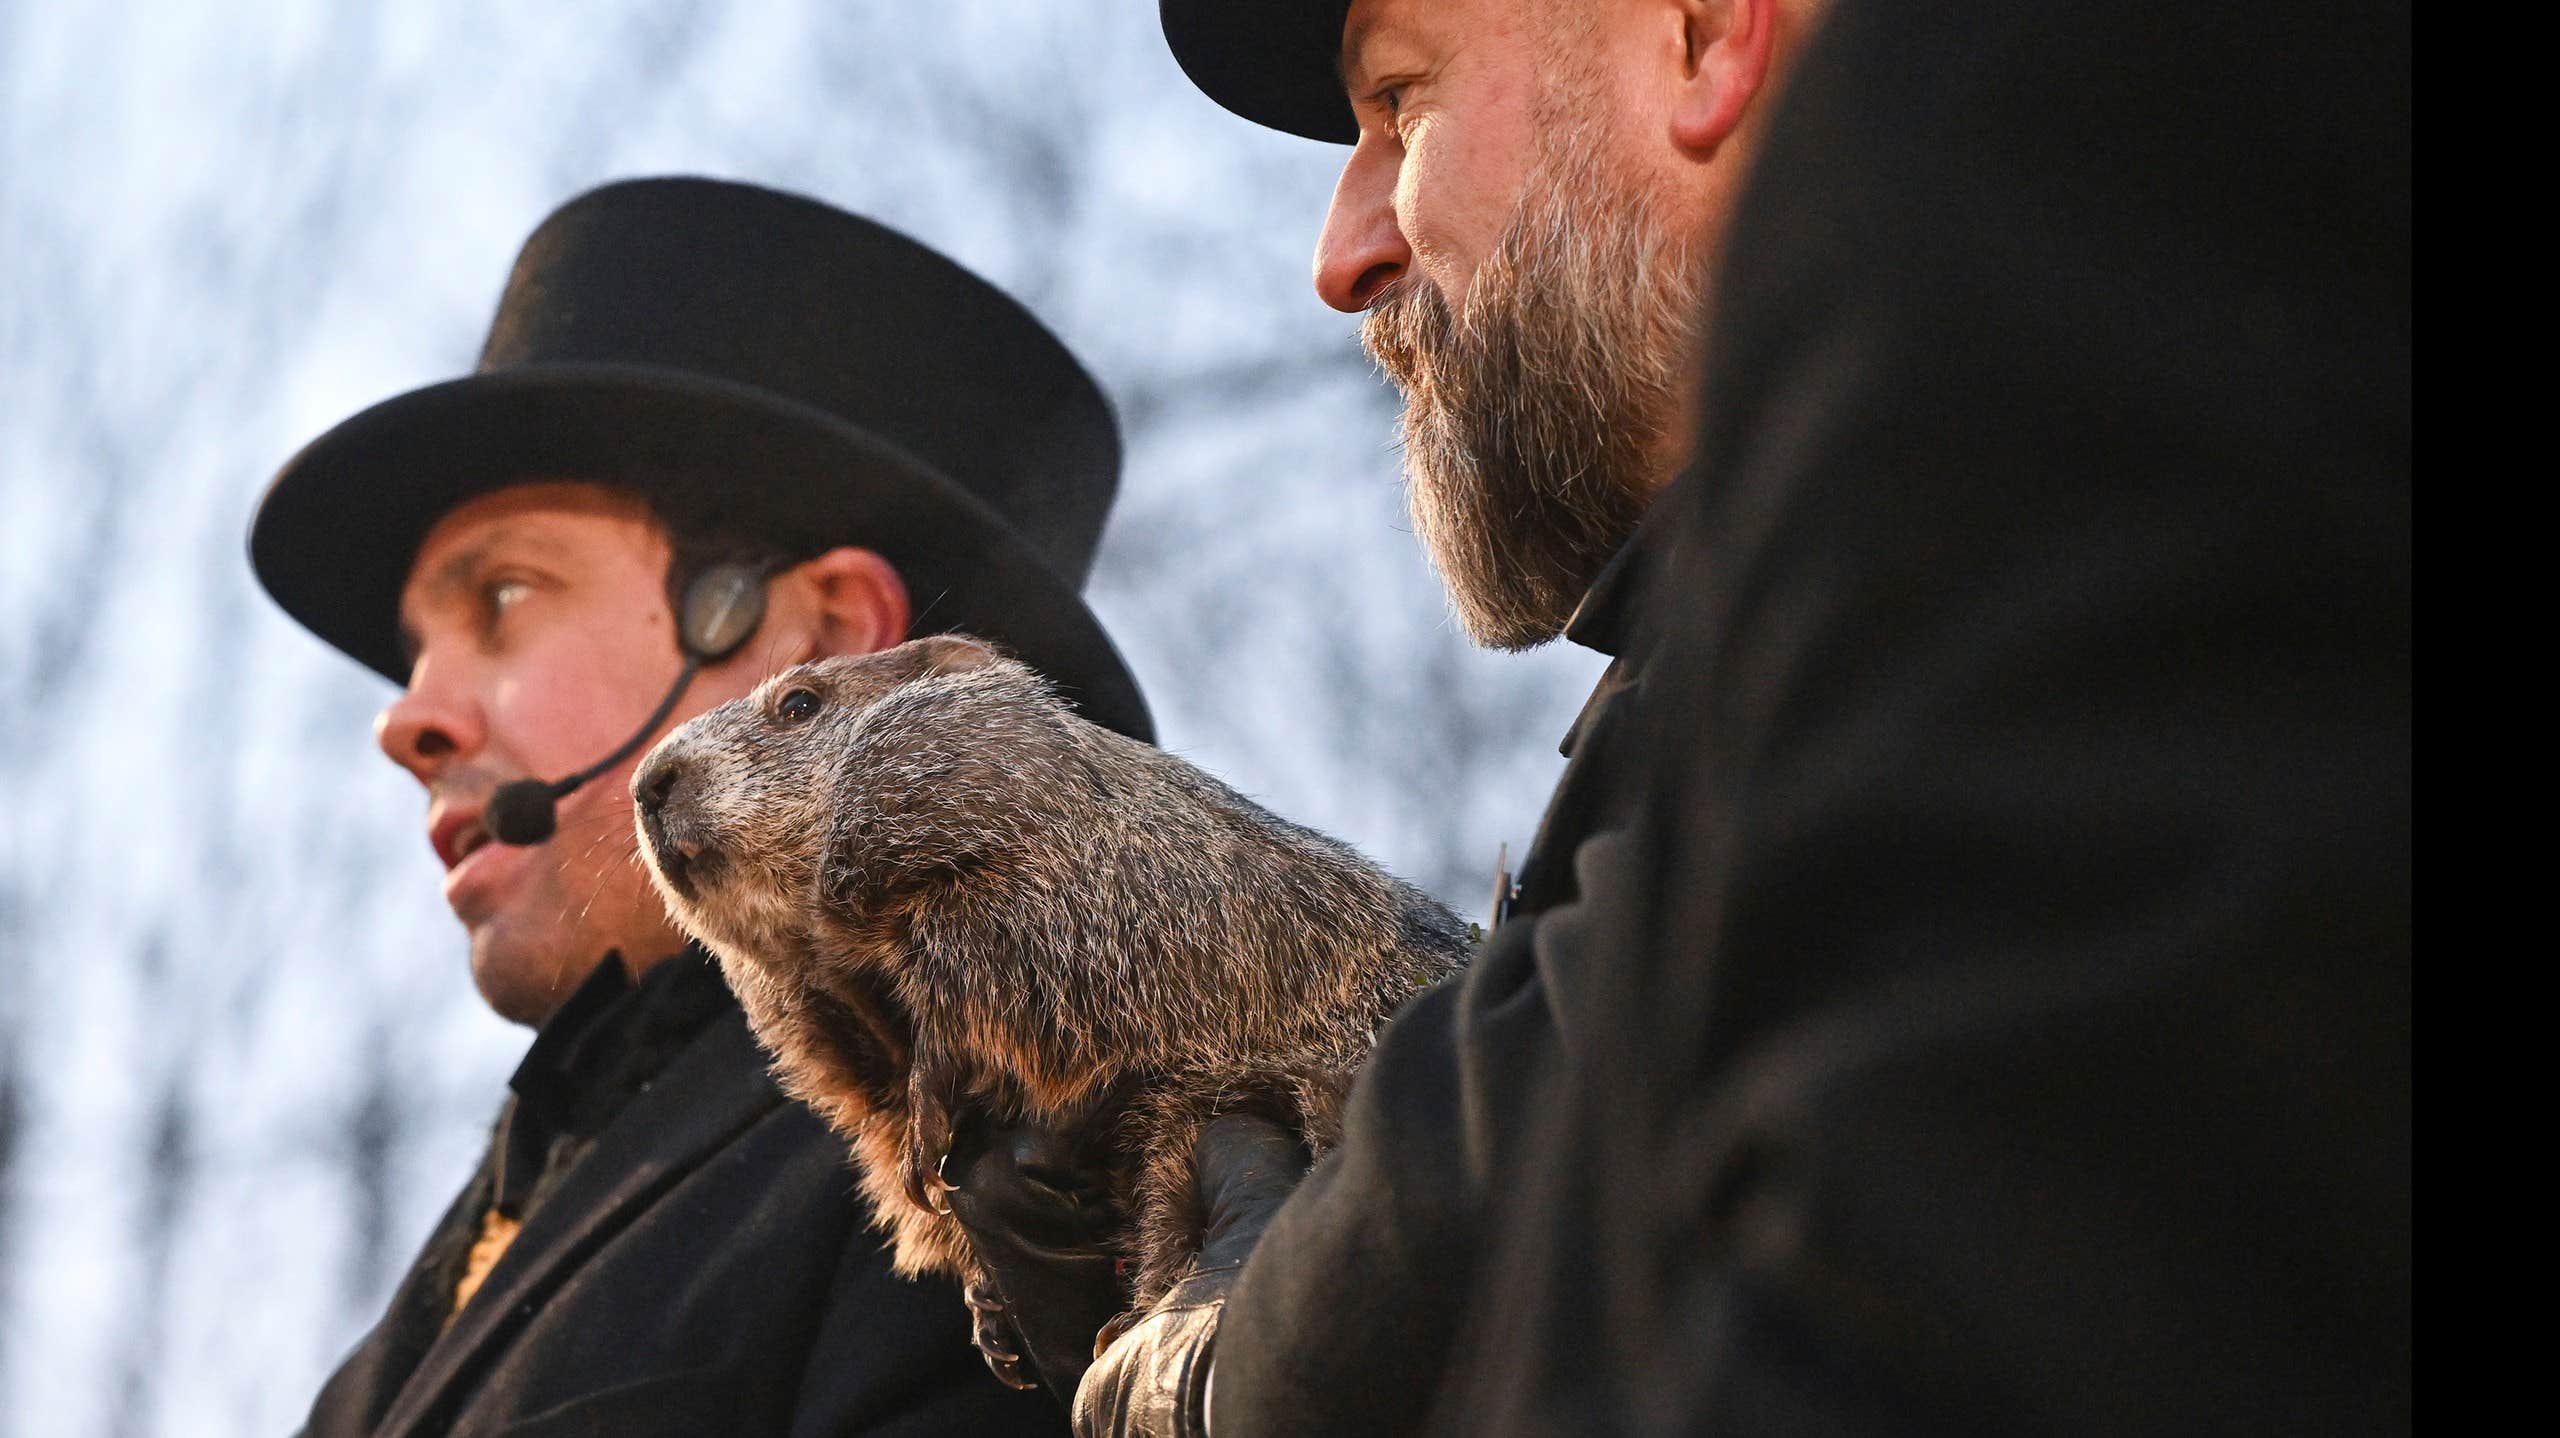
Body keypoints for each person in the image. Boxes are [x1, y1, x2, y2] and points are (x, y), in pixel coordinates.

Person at [951, 0, 2411, 1433]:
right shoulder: (1729, 670)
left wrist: (1251, 1370)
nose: (1345, 255)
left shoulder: (2093, 463)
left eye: (1401, 103)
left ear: (1705, 38)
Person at [252, 176, 1149, 1437]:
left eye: (503, 597)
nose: (408, 717)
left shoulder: (1015, 1161)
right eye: (413, 652)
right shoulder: (478, 1236)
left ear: (824, 647)